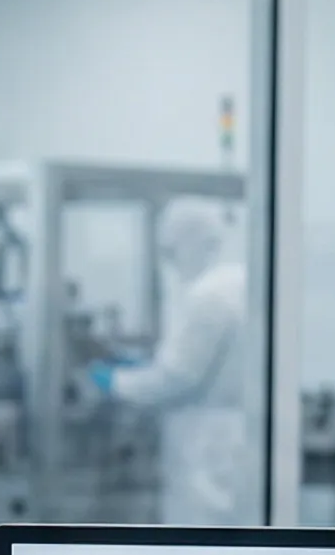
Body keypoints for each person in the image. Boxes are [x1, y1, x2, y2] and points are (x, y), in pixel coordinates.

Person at [92, 196, 252, 527]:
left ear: (191, 243)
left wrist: (115, 382)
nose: (170, 262)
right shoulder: (241, 283)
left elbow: (176, 378)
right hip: (236, 435)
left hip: (208, 446)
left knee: (200, 539)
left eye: (171, 251)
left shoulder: (208, 296)